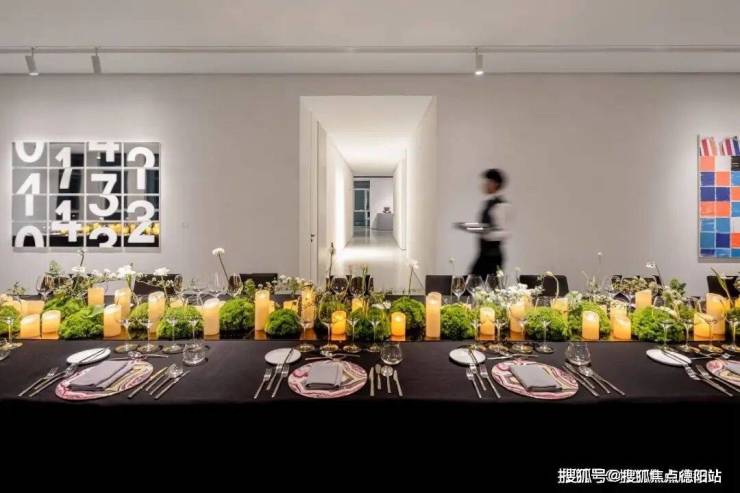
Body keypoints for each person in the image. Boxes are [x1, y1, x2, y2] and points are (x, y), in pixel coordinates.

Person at [460, 168, 512, 278]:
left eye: (488, 182)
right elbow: (486, 227)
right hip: (484, 254)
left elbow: (503, 232)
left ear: (495, 184)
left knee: (477, 283)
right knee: (472, 282)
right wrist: (470, 227)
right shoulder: (487, 203)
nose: (484, 185)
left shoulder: (502, 205)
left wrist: (483, 231)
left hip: (493, 256)